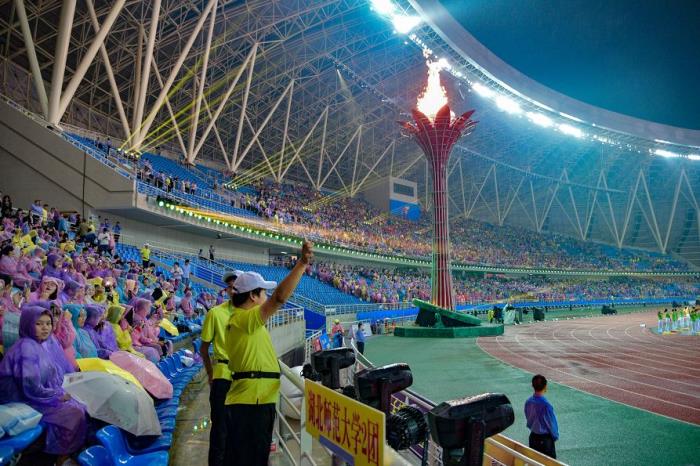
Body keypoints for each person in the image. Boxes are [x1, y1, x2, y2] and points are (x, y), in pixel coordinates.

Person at [223, 241, 313, 465]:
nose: (266, 297)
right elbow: (279, 298)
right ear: (253, 296)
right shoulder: (243, 319)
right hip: (252, 404)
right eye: (263, 292)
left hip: (254, 401)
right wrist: (302, 264)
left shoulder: (242, 321)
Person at [0, 305, 88, 463]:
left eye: (48, 323)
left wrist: (60, 391)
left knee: (78, 405)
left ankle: (61, 454)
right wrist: (58, 396)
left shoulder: (37, 344)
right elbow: (30, 388)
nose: (45, 327)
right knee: (75, 412)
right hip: (21, 400)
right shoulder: (26, 347)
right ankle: (60, 454)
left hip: (34, 396)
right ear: (28, 324)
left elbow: (48, 377)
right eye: (39, 324)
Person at [200, 269, 242, 466]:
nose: (234, 291)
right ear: (226, 290)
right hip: (223, 376)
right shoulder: (215, 313)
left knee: (239, 431)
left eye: (238, 287)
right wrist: (210, 373)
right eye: (230, 287)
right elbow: (204, 348)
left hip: (244, 379)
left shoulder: (250, 314)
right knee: (220, 430)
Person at [524, 374, 559, 459]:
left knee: (534, 461)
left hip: (533, 437)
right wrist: (555, 436)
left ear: (533, 386)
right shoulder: (546, 405)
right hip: (545, 440)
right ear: (545, 386)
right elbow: (551, 424)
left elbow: (528, 417)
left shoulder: (528, 402)